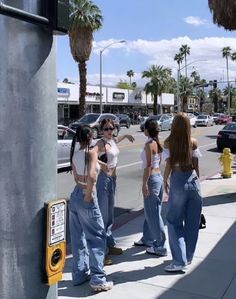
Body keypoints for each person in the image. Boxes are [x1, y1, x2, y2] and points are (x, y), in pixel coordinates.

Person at [69, 125, 113, 292]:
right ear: (90, 138)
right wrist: (89, 194)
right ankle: (97, 278)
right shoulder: (91, 152)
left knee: (78, 237)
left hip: (75, 195)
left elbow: (76, 176)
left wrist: (100, 164)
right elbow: (92, 176)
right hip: (88, 196)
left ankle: (79, 274)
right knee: (97, 237)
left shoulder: (76, 154)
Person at [163, 113, 202, 272]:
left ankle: (179, 260)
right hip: (193, 181)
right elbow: (196, 165)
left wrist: (165, 180)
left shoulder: (168, 143)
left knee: (173, 221)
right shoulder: (193, 142)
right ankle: (188, 256)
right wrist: (197, 182)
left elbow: (168, 165)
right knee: (193, 223)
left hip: (178, 180)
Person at [94, 119, 134, 262]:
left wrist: (127, 136)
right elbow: (89, 155)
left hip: (113, 180)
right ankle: (101, 253)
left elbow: (118, 139)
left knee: (110, 214)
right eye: (106, 129)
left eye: (112, 128)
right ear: (101, 130)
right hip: (103, 180)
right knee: (103, 216)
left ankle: (109, 245)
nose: (109, 131)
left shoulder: (112, 141)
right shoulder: (101, 143)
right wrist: (102, 164)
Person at [134, 119, 167, 256]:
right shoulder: (157, 143)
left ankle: (160, 246)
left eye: (144, 128)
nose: (143, 130)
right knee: (151, 211)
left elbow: (148, 166)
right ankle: (147, 238)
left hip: (152, 180)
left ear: (147, 130)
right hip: (158, 178)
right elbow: (158, 162)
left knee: (152, 214)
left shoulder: (149, 144)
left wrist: (144, 184)